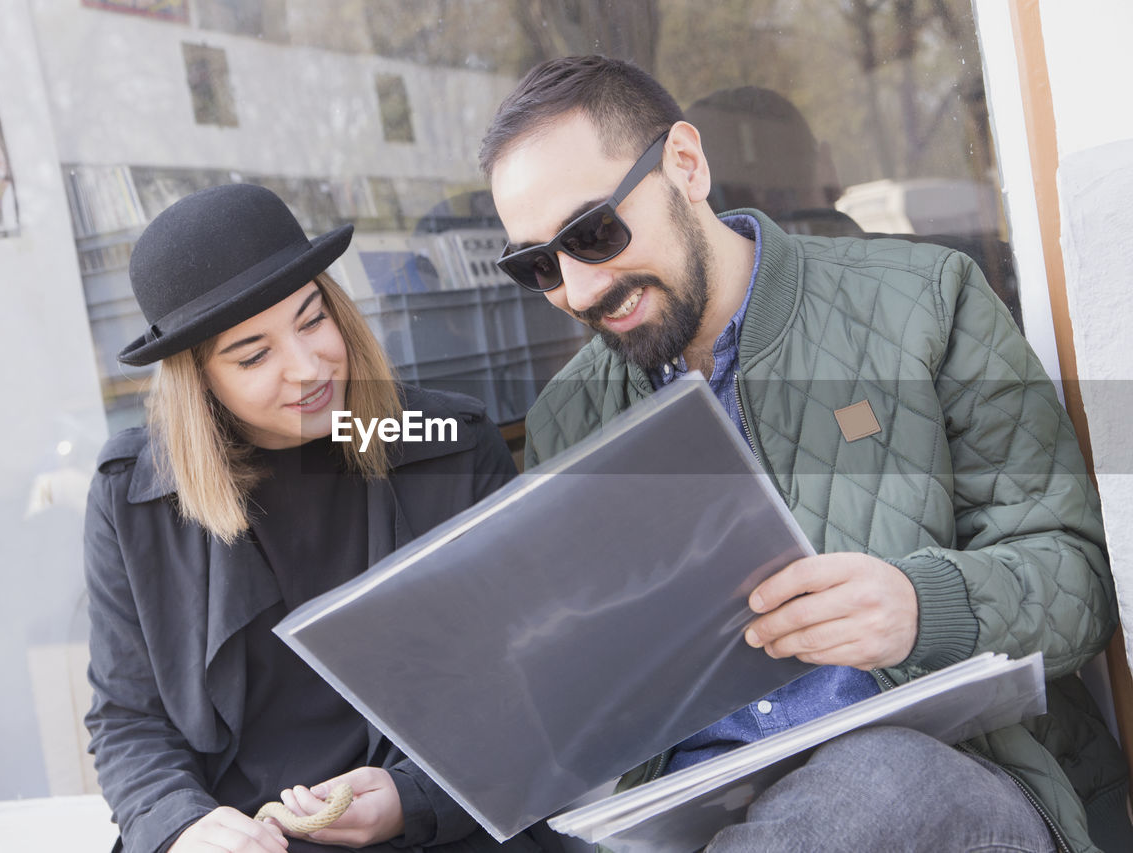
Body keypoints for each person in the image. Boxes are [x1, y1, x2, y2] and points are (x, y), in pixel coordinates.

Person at [480, 56, 1128, 852]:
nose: (579, 291)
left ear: (686, 163)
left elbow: (1083, 581)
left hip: (954, 776)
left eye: (594, 234)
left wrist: (922, 609)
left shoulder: (924, 301)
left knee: (871, 782)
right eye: (539, 266)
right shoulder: (568, 418)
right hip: (699, 813)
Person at [83, 183, 557, 853]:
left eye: (312, 320)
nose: (307, 368)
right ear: (200, 380)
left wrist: (412, 798)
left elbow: (531, 681)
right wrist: (181, 824)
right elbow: (129, 720)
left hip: (440, 829)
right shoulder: (132, 497)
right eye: (253, 355)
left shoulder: (454, 442)